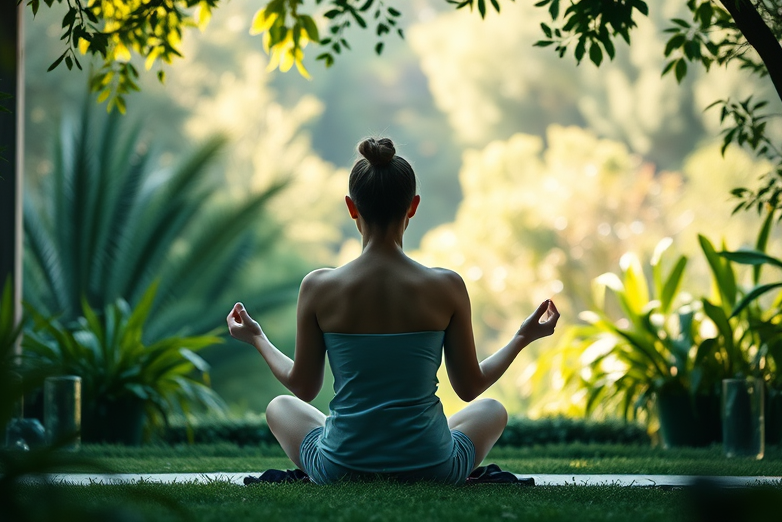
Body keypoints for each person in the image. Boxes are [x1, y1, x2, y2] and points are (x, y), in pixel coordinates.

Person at [226, 137, 559, 484]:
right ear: (412, 206)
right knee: (492, 409)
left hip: (340, 467)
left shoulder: (318, 287)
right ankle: (415, 442)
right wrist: (522, 337)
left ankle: (360, 443)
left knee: (280, 406)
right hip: (433, 467)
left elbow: (304, 388)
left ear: (351, 207)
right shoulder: (447, 286)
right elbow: (470, 387)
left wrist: (258, 337)